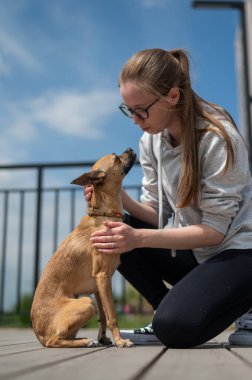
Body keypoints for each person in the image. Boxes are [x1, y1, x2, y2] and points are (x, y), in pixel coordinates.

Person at [86, 48, 252, 348]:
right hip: (198, 251)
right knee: (110, 228)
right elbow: (155, 212)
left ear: (173, 96)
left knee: (177, 329)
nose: (135, 120)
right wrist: (118, 197)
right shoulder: (151, 139)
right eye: (128, 110)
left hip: (240, 252)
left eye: (141, 110)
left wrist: (137, 238)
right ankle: (164, 311)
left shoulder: (217, 138)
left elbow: (214, 233)